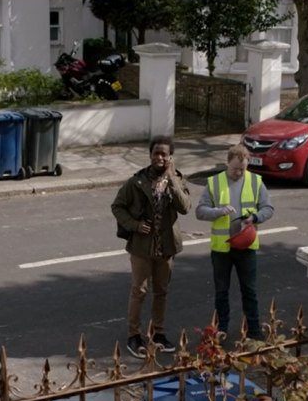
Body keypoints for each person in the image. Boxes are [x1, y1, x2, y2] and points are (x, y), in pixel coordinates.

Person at [112, 135, 191, 358]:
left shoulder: (176, 180)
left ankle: (158, 333)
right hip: (141, 248)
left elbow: (185, 207)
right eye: (156, 153)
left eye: (164, 154)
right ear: (150, 155)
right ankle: (134, 335)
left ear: (170, 157)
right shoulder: (136, 182)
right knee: (139, 291)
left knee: (161, 292)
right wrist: (135, 225)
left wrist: (172, 179)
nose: (160, 157)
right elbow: (117, 206)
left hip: (165, 248)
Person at [196, 144, 274, 339]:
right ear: (227, 163)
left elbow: (268, 208)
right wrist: (218, 211)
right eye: (235, 168)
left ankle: (254, 331)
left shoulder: (256, 182)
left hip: (246, 246)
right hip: (222, 249)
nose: (239, 172)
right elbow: (200, 211)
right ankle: (222, 329)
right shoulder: (214, 183)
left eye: (243, 168)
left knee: (250, 290)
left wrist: (254, 218)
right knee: (221, 292)